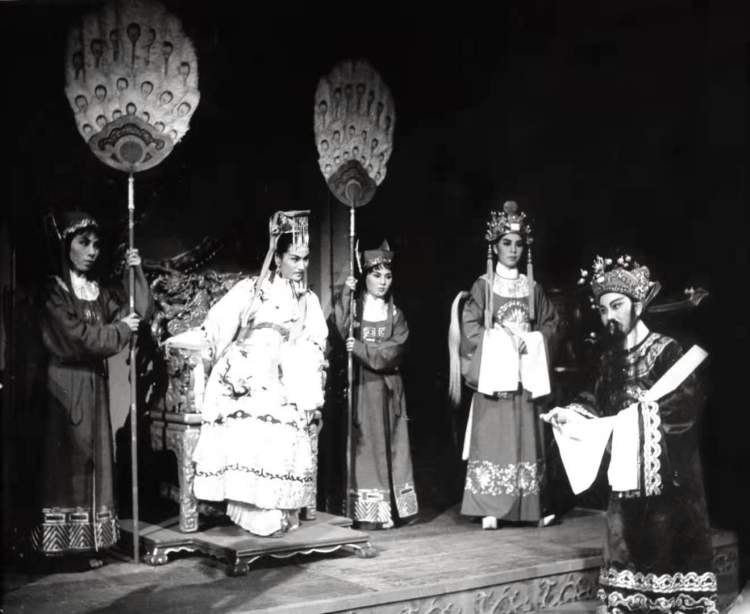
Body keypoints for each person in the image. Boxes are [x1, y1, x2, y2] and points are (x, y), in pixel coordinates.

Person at [543, 254, 717, 614]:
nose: (609, 316)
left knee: (668, 551)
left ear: (637, 305)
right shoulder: (609, 361)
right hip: (626, 481)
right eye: (603, 309)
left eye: (617, 306)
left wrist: (632, 421)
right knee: (626, 549)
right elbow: (595, 401)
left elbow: (683, 409)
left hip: (669, 480)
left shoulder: (667, 351)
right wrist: (571, 415)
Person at [188, 210, 327, 537]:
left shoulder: (307, 300)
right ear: (277, 258)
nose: (301, 266)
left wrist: (302, 363)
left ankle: (274, 503)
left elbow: (316, 342)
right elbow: (218, 325)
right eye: (294, 258)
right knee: (251, 415)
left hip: (284, 372)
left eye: (306, 259)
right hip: (243, 367)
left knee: (287, 417)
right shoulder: (251, 289)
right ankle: (248, 507)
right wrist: (206, 351)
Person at [32, 210, 153, 569]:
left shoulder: (97, 292)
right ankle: (58, 549)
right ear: (66, 245)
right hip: (65, 385)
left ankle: (87, 543)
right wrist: (119, 331)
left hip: (94, 385)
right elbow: (76, 338)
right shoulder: (54, 291)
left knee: (93, 461)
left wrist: (135, 271)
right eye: (83, 243)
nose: (92, 251)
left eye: (96, 245)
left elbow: (137, 312)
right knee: (67, 463)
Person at [449, 201, 559, 529]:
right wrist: (502, 343)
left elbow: (551, 324)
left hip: (525, 372)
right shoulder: (483, 285)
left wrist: (534, 340)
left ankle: (531, 507)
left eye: (518, 244)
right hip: (497, 374)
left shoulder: (533, 287)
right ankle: (490, 507)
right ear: (495, 246)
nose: (512, 249)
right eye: (506, 243)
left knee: (527, 437)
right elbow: (470, 327)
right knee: (495, 438)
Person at [335, 240, 418, 529]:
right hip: (361, 387)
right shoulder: (356, 309)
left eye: (388, 276)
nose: (382, 282)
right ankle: (365, 512)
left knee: (390, 447)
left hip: (386, 388)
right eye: (376, 275)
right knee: (365, 447)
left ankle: (390, 509)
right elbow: (340, 325)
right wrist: (346, 292)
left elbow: (394, 350)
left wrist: (360, 349)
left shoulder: (395, 314)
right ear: (365, 277)